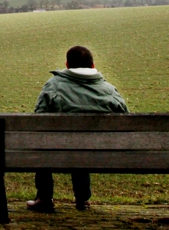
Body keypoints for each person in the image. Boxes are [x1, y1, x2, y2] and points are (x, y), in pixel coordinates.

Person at [26, 45, 128, 213]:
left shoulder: (54, 86)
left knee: (44, 144)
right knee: (82, 145)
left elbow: (39, 120)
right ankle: (83, 199)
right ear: (93, 66)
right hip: (98, 152)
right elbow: (126, 119)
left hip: (56, 150)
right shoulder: (109, 90)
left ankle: (44, 198)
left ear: (67, 65)